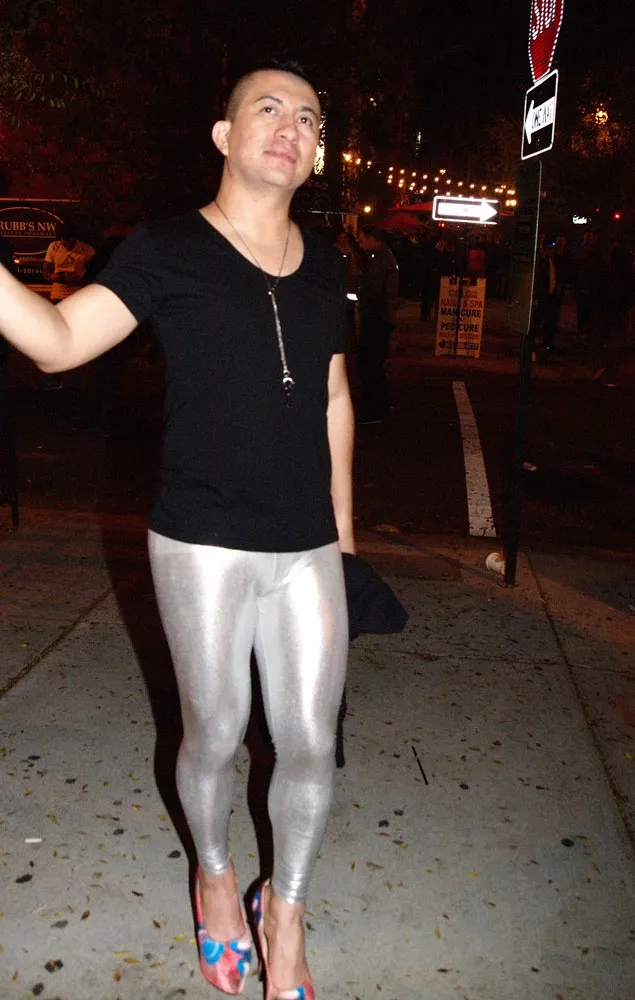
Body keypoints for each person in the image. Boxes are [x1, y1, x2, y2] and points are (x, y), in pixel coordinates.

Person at [0, 60, 355, 1000]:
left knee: (310, 742)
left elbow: (332, 397)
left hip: (307, 544)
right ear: (225, 136)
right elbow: (59, 341)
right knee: (217, 733)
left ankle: (286, 913)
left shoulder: (328, 263)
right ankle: (215, 875)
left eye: (307, 118)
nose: (289, 126)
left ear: (315, 154)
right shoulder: (166, 249)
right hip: (200, 539)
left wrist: (345, 537)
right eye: (267, 109)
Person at [40, 220, 95, 388]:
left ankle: (74, 379)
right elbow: (45, 271)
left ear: (75, 238)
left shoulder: (87, 250)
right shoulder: (54, 247)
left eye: (68, 241)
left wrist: (79, 279)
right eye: (62, 241)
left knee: (75, 338)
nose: (65, 244)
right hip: (58, 296)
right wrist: (54, 277)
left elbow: (94, 274)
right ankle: (53, 377)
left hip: (77, 297)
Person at [356, 225, 399, 423]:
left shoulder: (379, 260)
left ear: (372, 238)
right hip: (381, 317)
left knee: (371, 365)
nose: (359, 243)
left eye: (362, 239)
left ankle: (374, 410)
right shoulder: (382, 257)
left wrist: (358, 298)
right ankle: (379, 406)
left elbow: (372, 291)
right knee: (375, 365)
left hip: (376, 318)